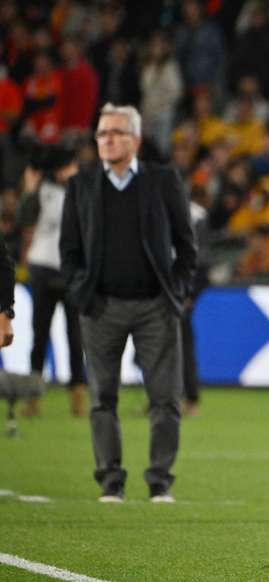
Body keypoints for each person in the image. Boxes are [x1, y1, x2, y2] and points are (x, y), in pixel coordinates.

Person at [59, 103, 197, 504]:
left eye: (116, 133)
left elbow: (187, 245)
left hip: (155, 306)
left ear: (135, 139)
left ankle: (160, 482)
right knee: (102, 398)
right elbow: (69, 250)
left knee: (166, 399)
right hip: (101, 307)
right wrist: (79, 288)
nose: (107, 140)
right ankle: (111, 482)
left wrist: (178, 289)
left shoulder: (163, 180)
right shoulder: (80, 185)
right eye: (102, 134)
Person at [19, 146, 87, 418]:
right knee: (40, 335)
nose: (62, 173)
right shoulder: (43, 192)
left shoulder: (86, 191)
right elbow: (24, 218)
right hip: (43, 269)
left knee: (75, 336)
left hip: (72, 272)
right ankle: (34, 396)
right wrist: (30, 189)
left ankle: (78, 396)